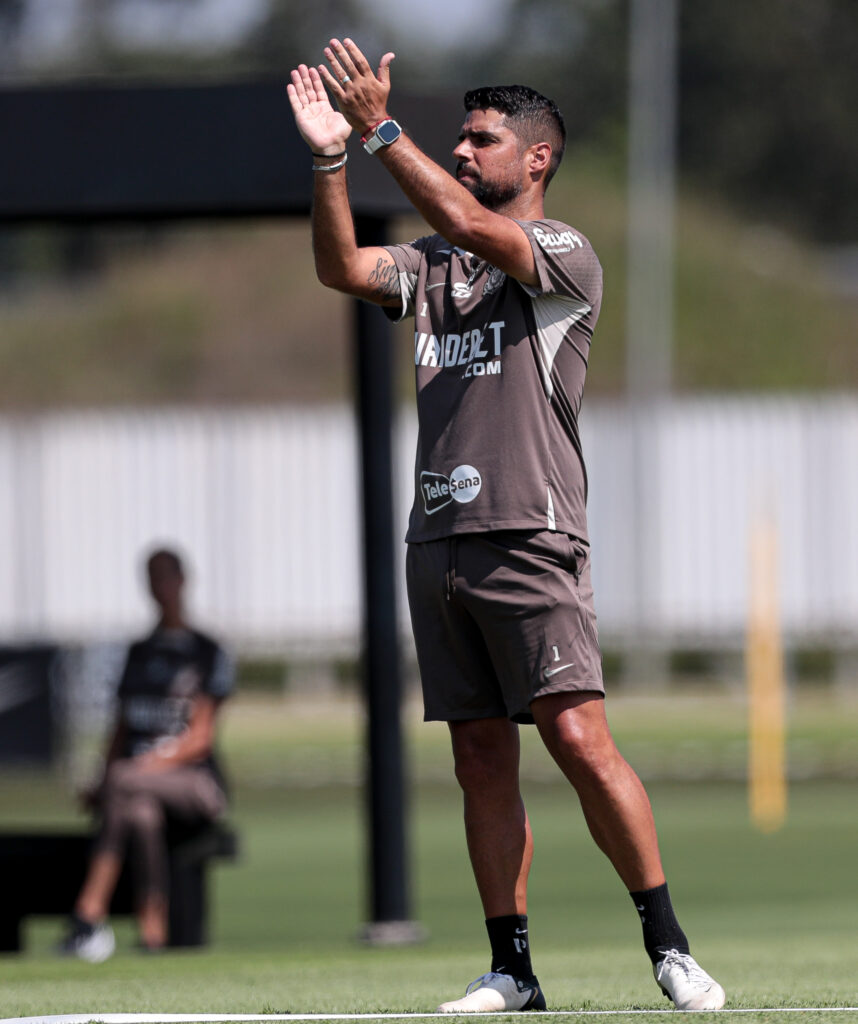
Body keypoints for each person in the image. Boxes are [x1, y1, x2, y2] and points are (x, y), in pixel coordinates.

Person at [287, 39, 726, 1013]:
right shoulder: (434, 264)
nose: (461, 148)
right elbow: (342, 268)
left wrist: (379, 129)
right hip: (439, 540)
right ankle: (512, 969)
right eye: (459, 136)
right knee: (479, 757)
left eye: (480, 138)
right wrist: (329, 161)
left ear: (537, 157)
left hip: (532, 535)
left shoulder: (565, 255)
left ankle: (668, 943)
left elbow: (463, 220)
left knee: (576, 736)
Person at [58, 547, 234, 962]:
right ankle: (152, 930)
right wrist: (107, 775)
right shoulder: (138, 652)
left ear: (183, 580)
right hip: (137, 787)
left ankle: (88, 914)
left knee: (123, 781)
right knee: (139, 814)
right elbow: (120, 728)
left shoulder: (206, 650)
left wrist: (136, 769)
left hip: (192, 783)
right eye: (153, 577)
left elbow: (200, 737)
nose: (161, 586)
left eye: (167, 575)